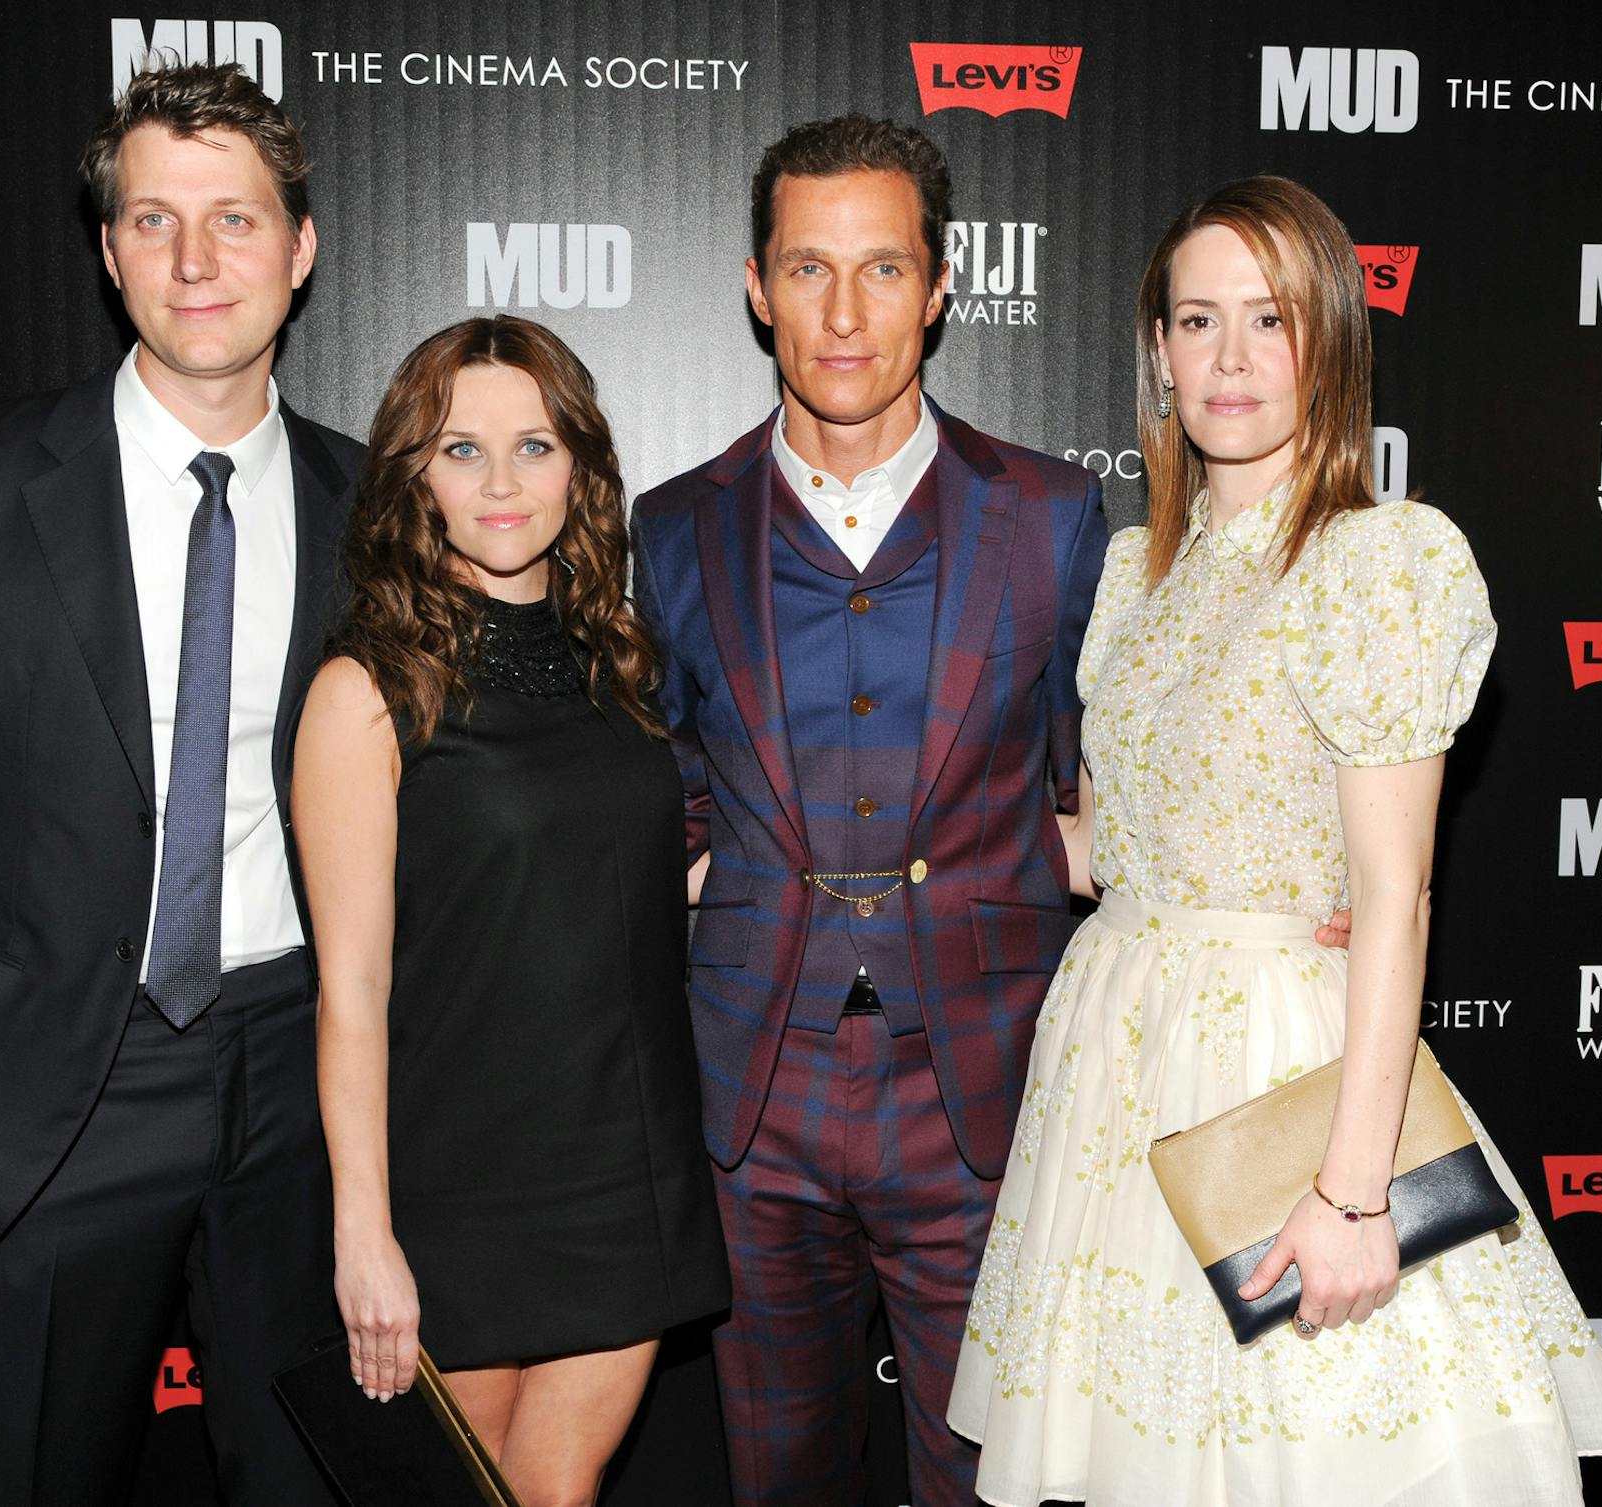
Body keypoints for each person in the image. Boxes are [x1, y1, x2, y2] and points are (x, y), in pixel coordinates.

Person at [946, 175, 1602, 1505]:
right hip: (1116, 1071)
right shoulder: (1141, 566)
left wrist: (1358, 1190)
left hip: (1283, 1080)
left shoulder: (1375, 561)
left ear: (1329, 338)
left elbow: (1396, 897)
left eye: (1269, 320)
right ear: (1156, 346)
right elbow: (1117, 848)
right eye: (1197, 321)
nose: (1229, 359)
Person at [0, 63, 354, 1506]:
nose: (194, 259)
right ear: (109, 253)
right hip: (43, 1092)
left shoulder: (376, 507)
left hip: (303, 1084)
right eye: (153, 220)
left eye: (233, 219)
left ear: (298, 247)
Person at [628, 113, 1112, 1506]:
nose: (844, 312)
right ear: (755, 284)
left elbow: (1104, 774)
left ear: (941, 286)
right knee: (774, 1469)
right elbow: (654, 782)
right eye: (808, 268)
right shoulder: (673, 528)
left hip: (981, 1088)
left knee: (987, 1478)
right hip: (750, 1094)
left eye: (883, 268)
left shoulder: (1054, 515)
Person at [295, 315, 730, 1507]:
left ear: (580, 466)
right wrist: (363, 1235)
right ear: (412, 475)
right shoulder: (367, 690)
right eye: (460, 449)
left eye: (535, 447)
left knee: (559, 1487)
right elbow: (352, 992)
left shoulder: (621, 663)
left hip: (623, 1168)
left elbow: (634, 881)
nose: (501, 483)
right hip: (457, 1185)